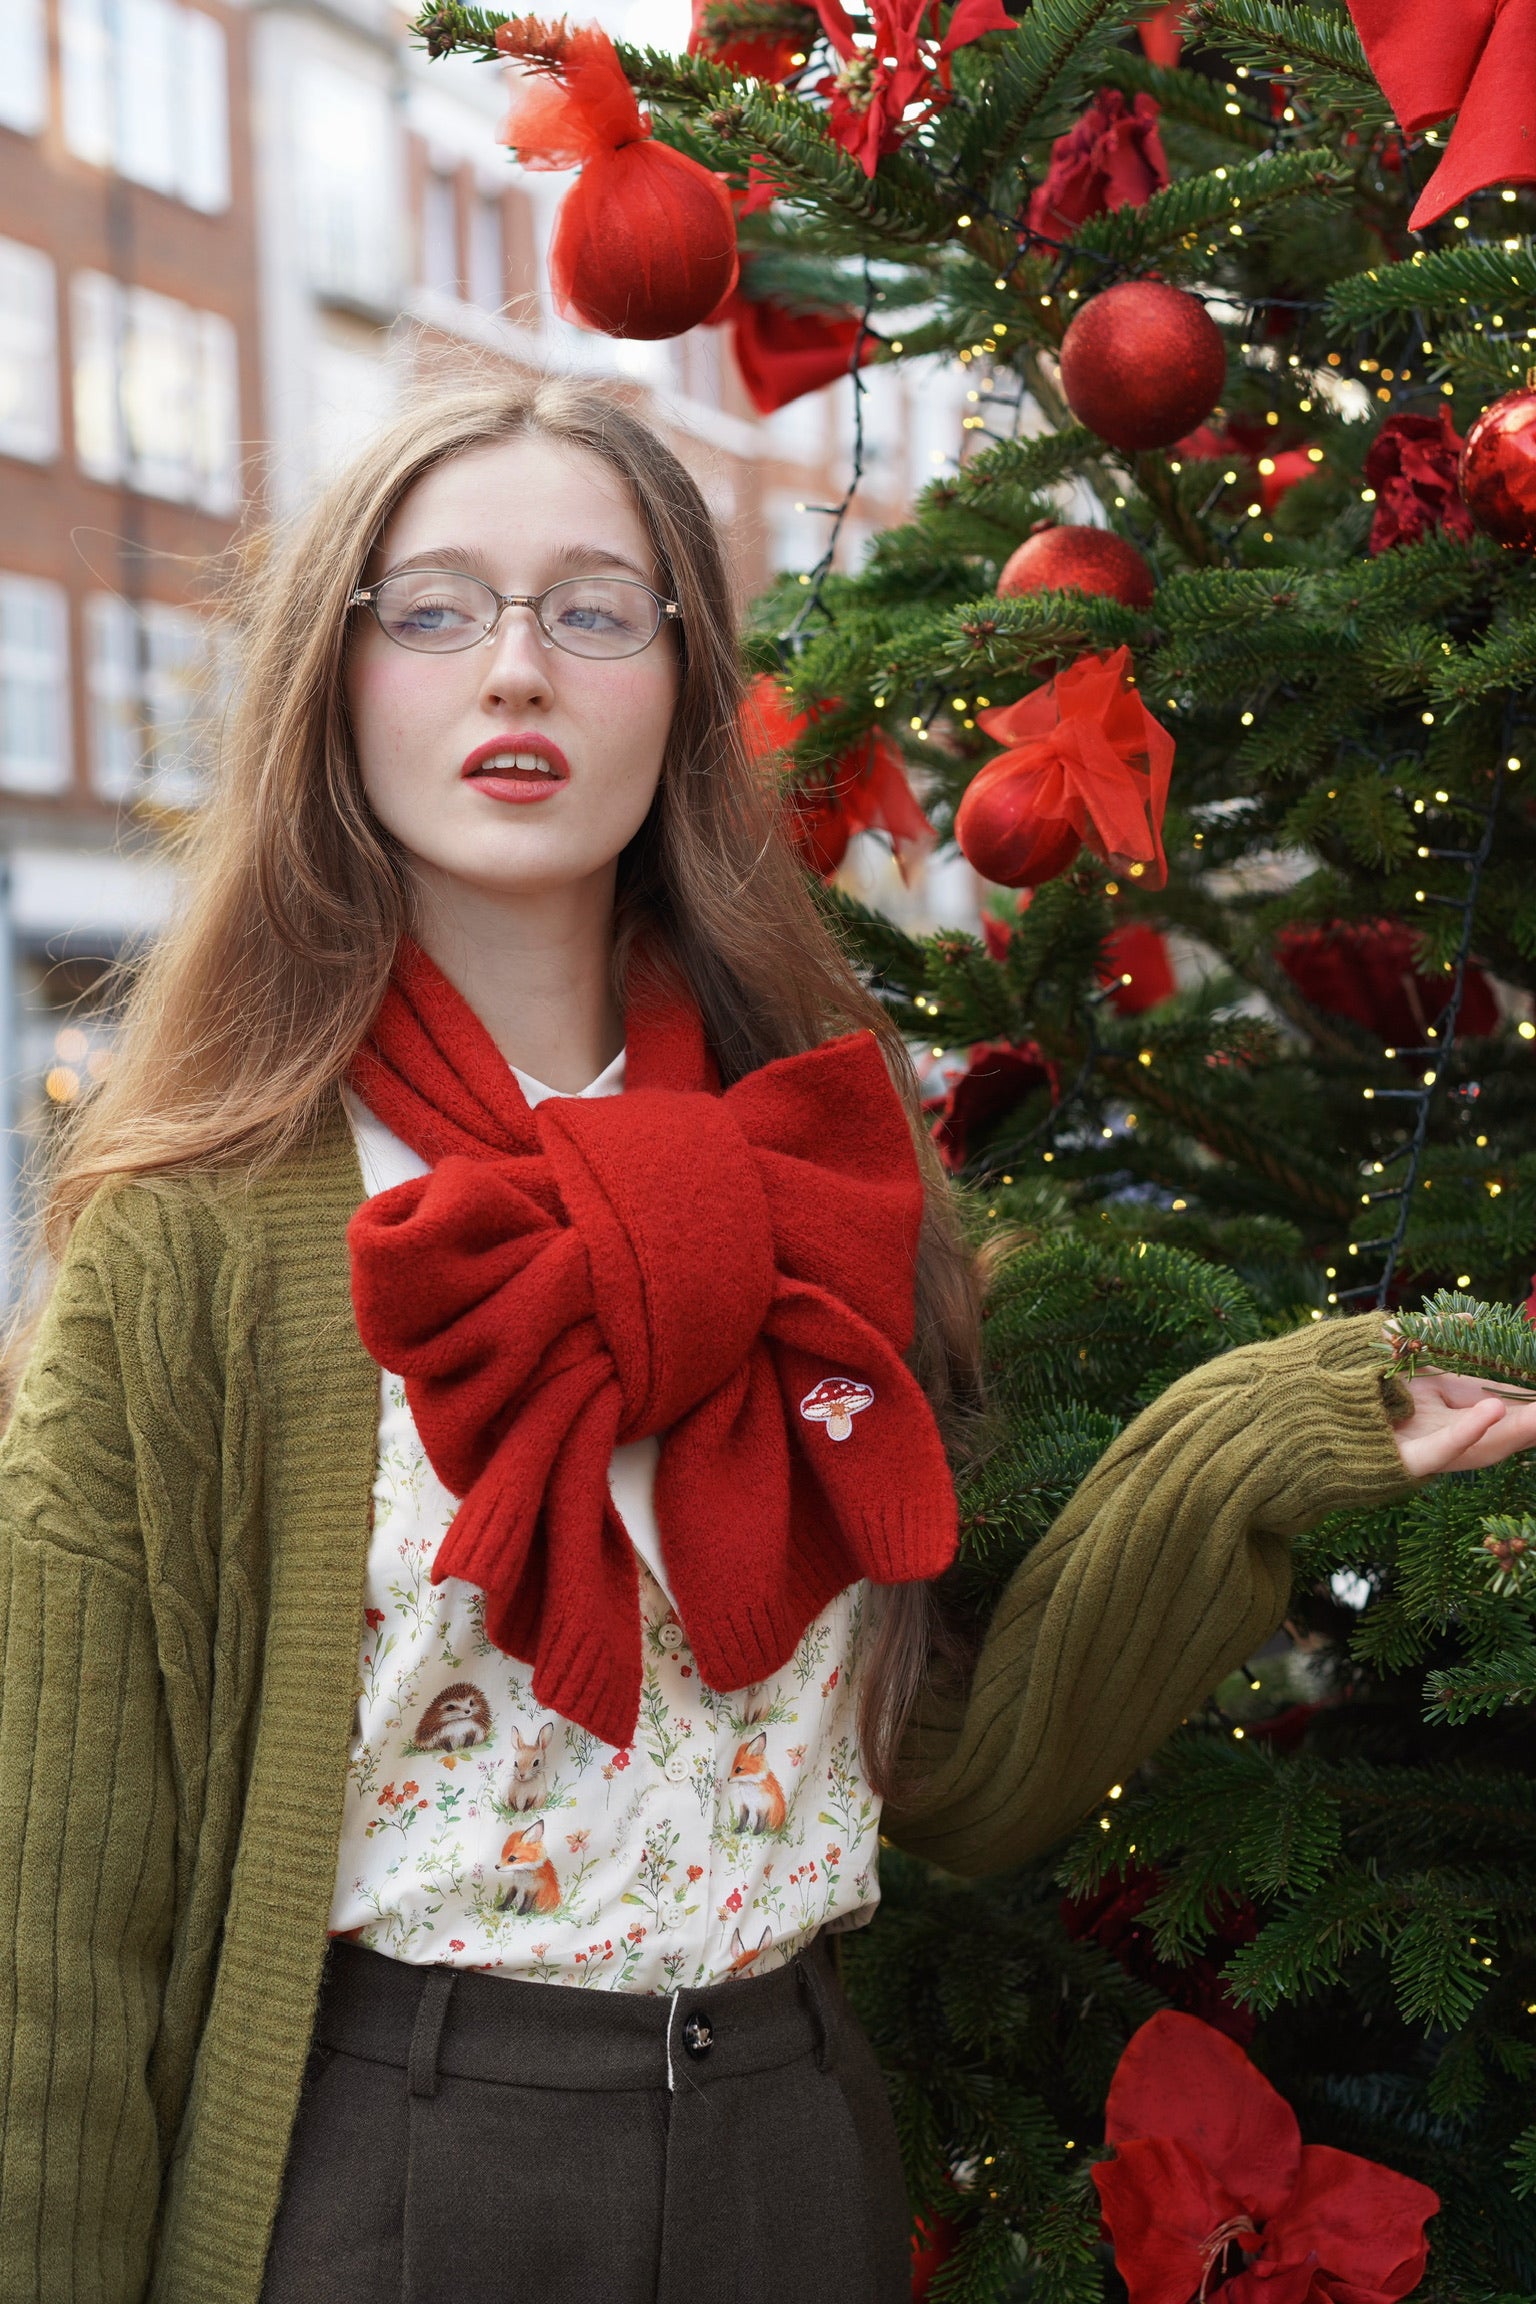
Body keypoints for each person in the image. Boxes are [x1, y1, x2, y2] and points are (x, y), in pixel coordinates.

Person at [1, 379, 1531, 2304]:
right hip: (396, 2177)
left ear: (681, 687)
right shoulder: (196, 1235)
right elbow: (61, 1934)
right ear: (338, 680)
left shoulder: (812, 1167)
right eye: (438, 607)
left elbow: (930, 1759)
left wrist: (1257, 1442)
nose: (518, 674)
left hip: (788, 2151)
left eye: (593, 609)